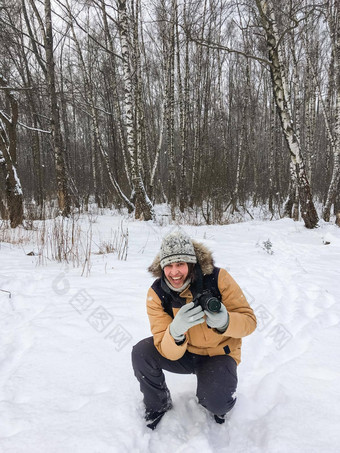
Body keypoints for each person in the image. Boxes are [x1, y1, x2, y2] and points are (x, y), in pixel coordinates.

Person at [131, 230, 256, 430]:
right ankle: (158, 404)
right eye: (169, 266)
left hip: (219, 355)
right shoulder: (157, 294)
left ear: (192, 264)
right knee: (141, 352)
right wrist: (175, 333)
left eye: (180, 264)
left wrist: (226, 321)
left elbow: (249, 322)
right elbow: (165, 347)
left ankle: (217, 396)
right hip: (185, 353)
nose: (174, 273)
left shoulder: (218, 278)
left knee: (217, 403)